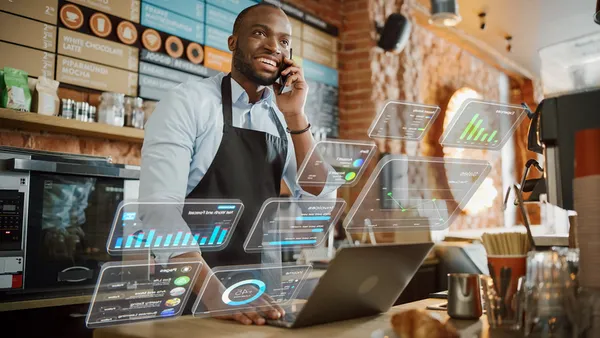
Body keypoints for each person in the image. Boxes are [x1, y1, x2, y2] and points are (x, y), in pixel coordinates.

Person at [138, 3, 332, 325]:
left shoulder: (285, 118)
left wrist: (297, 115)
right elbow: (158, 209)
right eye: (260, 33)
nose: (273, 46)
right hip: (195, 297)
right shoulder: (188, 102)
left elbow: (320, 201)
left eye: (284, 42)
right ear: (233, 43)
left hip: (265, 297)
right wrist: (215, 294)